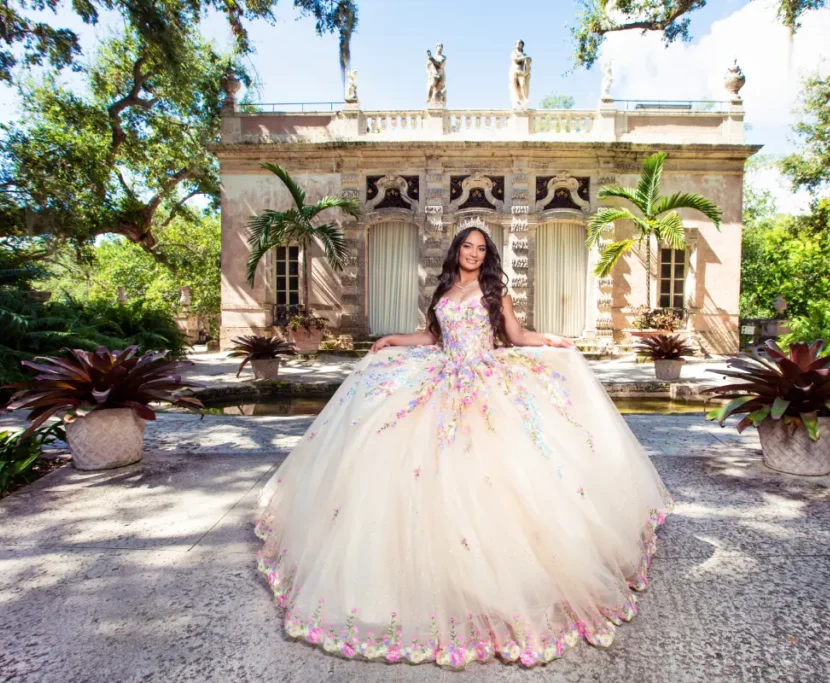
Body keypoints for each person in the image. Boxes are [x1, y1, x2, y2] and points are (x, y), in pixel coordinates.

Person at [254, 227, 673, 669]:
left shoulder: (493, 289)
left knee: (496, 472)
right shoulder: (444, 289)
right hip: (440, 377)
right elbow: (434, 339)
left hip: (484, 381)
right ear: (456, 251)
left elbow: (515, 336)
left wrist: (548, 340)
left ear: (486, 255)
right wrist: (397, 339)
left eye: (481, 248)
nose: (474, 254)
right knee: (402, 453)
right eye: (467, 246)